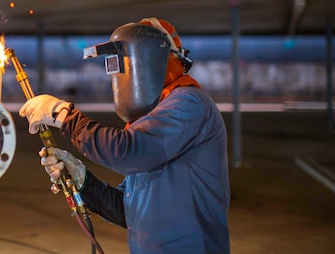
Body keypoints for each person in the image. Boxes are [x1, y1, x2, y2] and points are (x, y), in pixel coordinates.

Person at [19, 18, 230, 254]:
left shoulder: (188, 105)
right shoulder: (149, 122)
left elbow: (128, 151)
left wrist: (66, 117)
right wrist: (83, 181)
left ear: (151, 61)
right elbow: (128, 212)